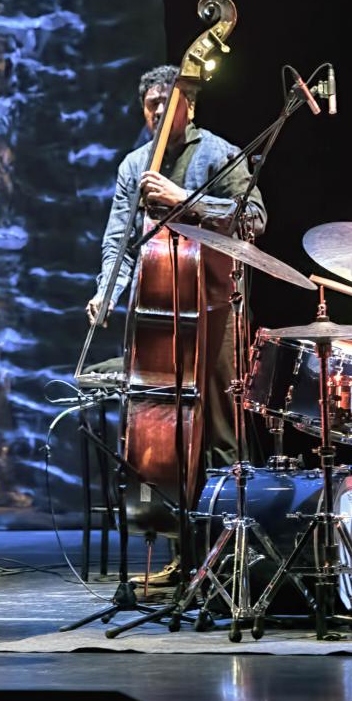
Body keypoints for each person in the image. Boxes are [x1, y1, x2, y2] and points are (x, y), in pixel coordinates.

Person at [88, 66, 268, 469]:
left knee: (223, 421)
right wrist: (106, 293)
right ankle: (168, 518)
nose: (159, 113)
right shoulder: (134, 166)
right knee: (160, 423)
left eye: (168, 104)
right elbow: (119, 240)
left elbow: (254, 218)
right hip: (157, 312)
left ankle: (226, 517)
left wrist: (184, 198)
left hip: (216, 305)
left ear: (189, 107)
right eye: (152, 105)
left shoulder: (220, 153)